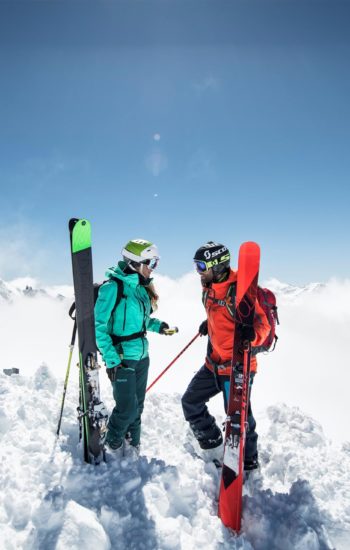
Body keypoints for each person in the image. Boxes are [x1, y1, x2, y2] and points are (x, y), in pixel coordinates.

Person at [181, 241, 270, 469]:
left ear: (218, 266)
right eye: (197, 266)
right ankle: (213, 445)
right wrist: (209, 324)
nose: (198, 271)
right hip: (213, 364)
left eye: (202, 266)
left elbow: (264, 327)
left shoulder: (241, 291)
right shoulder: (209, 289)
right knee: (190, 402)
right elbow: (221, 316)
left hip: (237, 368)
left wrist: (253, 336)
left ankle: (248, 462)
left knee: (240, 419)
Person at [95, 238, 174, 457]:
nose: (153, 268)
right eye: (151, 262)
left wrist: (159, 326)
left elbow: (143, 321)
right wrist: (112, 360)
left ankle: (132, 450)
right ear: (135, 262)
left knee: (137, 408)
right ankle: (111, 445)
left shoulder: (140, 289)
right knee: (126, 409)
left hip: (142, 356)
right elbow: (98, 326)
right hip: (122, 358)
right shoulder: (113, 288)